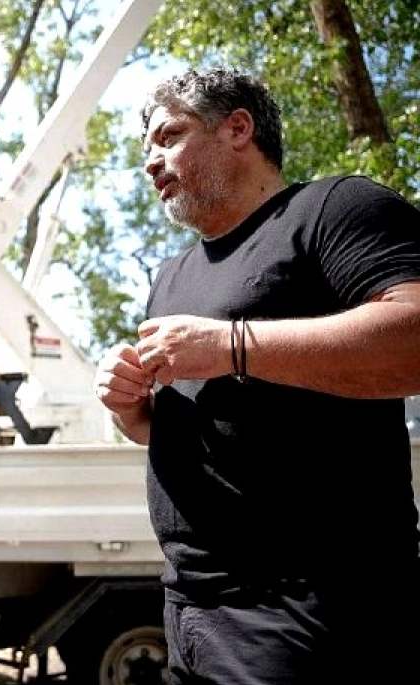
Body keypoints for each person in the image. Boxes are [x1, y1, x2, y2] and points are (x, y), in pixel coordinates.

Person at [94, 66, 420, 683]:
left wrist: (231, 344)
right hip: (187, 609)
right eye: (145, 150)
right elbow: (210, 426)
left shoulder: (333, 208)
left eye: (168, 136)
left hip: (308, 607)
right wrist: (133, 410)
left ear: (237, 127)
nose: (150, 162)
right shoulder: (171, 274)